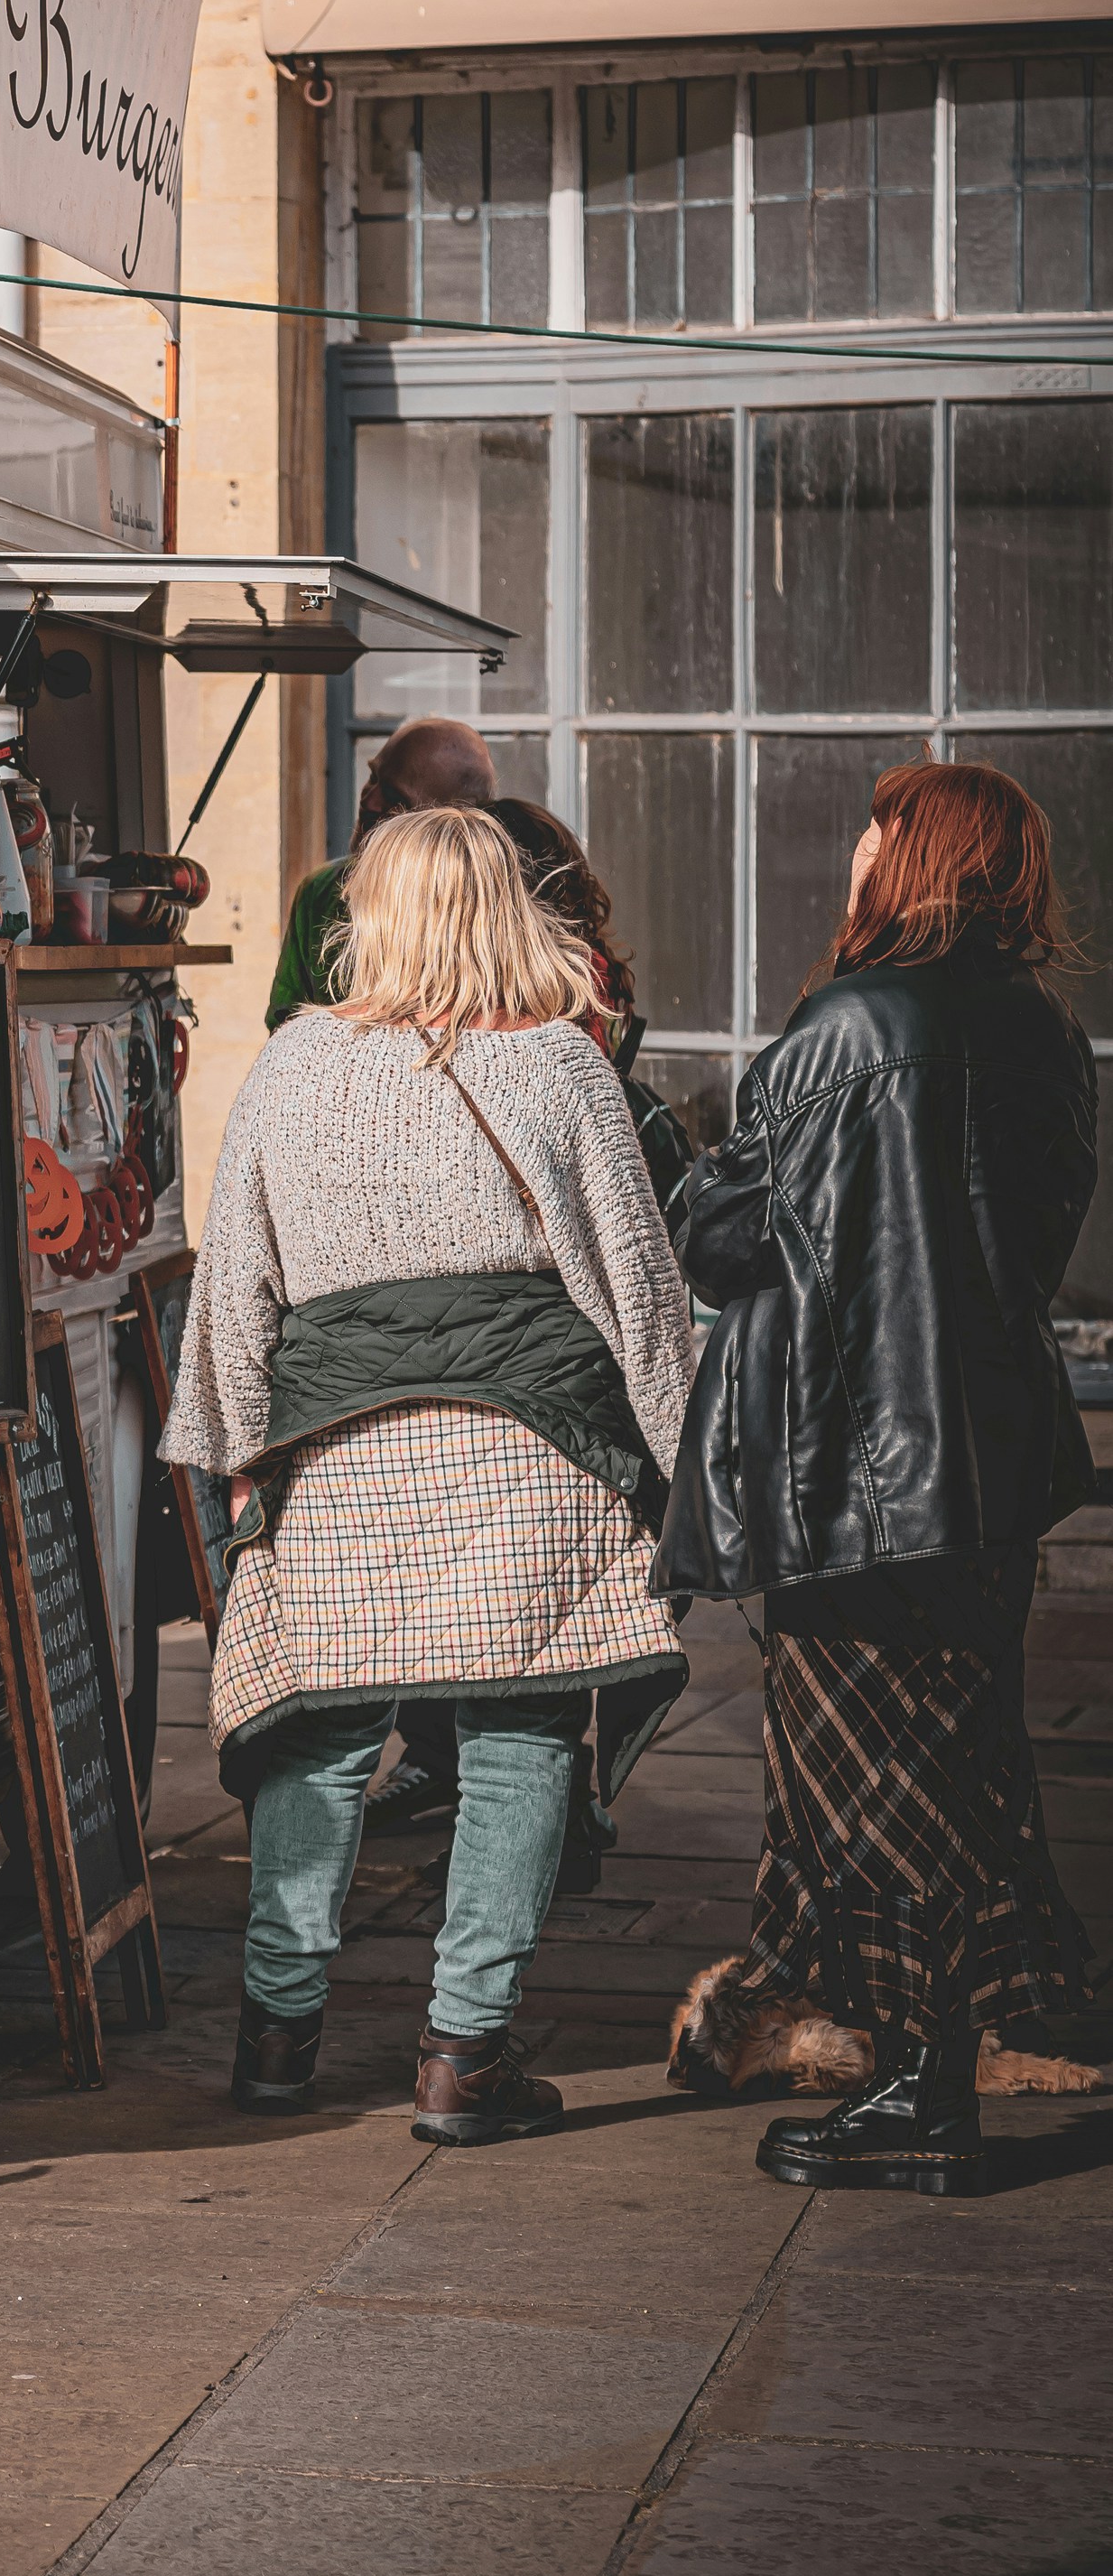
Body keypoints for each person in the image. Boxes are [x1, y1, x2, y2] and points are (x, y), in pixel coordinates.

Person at [168, 807, 699, 2143]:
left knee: (320, 1730)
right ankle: (465, 2056)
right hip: (533, 1451)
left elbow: (232, 1281)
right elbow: (638, 1292)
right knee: (520, 1735)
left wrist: (234, 1462)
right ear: (515, 913)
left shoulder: (291, 1066)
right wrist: (690, 1462)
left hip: (340, 1449)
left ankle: (277, 2038)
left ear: (373, 916)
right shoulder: (563, 1071)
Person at [663, 759, 1098, 2199]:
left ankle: (923, 2090)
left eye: (871, 830)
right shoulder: (1040, 1030)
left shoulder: (847, 1023)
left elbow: (723, 1237)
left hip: (857, 1472)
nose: (850, 851)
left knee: (879, 1788)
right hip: (986, 1460)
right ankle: (931, 2024)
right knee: (953, 1758)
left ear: (908, 860)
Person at [371, 795, 698, 1862]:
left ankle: (494, 1774)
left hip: (508, 1332)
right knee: (545, 1595)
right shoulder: (579, 1005)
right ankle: (528, 1787)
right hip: (553, 1348)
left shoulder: (548, 1026)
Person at [266, 716, 494, 1030]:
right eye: (372, 777)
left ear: (450, 818)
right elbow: (284, 1023)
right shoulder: (321, 892)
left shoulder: (492, 903)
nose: (369, 801)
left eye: (395, 797)